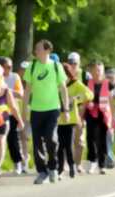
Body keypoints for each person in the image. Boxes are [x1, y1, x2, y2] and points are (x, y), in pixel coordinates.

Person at [23, 39, 69, 184]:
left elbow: (63, 89)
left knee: (51, 139)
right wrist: (24, 109)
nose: (36, 51)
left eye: (38, 49)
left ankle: (53, 168)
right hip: (36, 110)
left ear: (47, 50)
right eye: (36, 49)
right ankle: (42, 172)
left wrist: (66, 109)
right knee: (37, 143)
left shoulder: (56, 66)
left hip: (52, 109)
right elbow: (27, 90)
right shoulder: (32, 66)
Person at [57, 63, 93, 179]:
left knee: (67, 145)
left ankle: (71, 166)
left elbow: (89, 94)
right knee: (59, 145)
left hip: (71, 118)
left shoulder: (76, 83)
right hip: (57, 119)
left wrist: (76, 99)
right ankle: (61, 169)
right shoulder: (56, 84)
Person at [0, 64, 24, 180]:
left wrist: (20, 120)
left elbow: (14, 107)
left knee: (1, 141)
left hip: (3, 119)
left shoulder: (6, 90)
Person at [85, 60, 115, 175]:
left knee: (102, 139)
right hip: (91, 113)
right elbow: (84, 99)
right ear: (92, 71)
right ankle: (93, 161)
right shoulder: (88, 82)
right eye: (95, 70)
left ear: (103, 71)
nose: (97, 72)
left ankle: (102, 164)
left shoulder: (108, 84)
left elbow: (112, 102)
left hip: (103, 114)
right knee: (90, 137)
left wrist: (113, 118)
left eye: (100, 70)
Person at [67, 52, 91, 173]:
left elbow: (89, 94)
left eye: (75, 63)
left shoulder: (85, 75)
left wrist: (80, 105)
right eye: (70, 62)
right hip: (66, 111)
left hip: (81, 110)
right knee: (67, 139)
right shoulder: (64, 73)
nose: (72, 65)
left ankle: (78, 164)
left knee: (80, 140)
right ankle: (68, 164)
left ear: (79, 63)